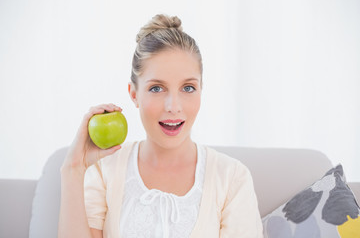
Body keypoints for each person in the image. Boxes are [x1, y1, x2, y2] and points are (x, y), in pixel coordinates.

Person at [58, 14, 263, 238]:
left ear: (201, 90)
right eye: (157, 88)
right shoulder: (105, 169)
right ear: (134, 94)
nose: (173, 107)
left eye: (188, 88)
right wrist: (73, 170)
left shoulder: (232, 178)